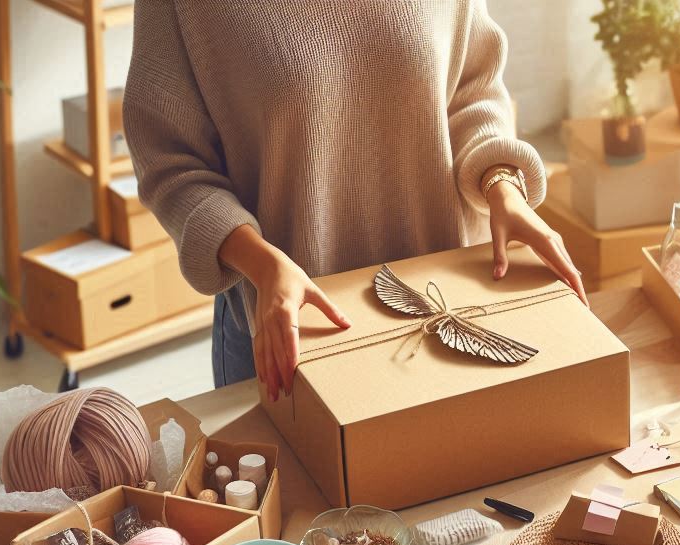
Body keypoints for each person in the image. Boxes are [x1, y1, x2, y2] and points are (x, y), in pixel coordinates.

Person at [123, 1, 586, 401]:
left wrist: (503, 185)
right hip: (292, 330)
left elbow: (470, 89)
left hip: (445, 310)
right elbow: (172, 164)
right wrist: (263, 263)